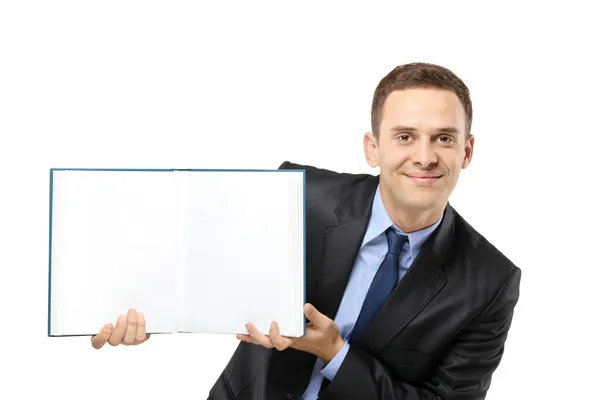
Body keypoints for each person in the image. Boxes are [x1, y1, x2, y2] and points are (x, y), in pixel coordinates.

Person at [91, 62, 521, 400]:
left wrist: (337, 355)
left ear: (466, 151)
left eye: (443, 139)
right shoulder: (298, 196)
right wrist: (149, 311)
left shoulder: (489, 282)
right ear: (373, 147)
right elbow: (203, 262)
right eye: (405, 136)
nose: (424, 157)